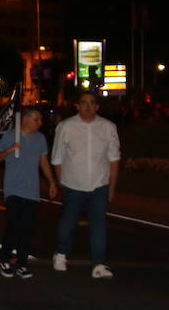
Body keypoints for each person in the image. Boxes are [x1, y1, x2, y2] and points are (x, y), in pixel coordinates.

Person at [51, 92, 120, 279]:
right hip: (73, 185)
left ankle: (98, 264)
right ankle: (61, 253)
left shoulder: (108, 127)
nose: (87, 106)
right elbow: (57, 159)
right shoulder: (66, 127)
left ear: (97, 106)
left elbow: (114, 160)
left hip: (99, 185)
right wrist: (62, 184)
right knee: (68, 223)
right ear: (77, 106)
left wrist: (111, 188)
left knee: (98, 225)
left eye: (92, 103)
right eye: (83, 103)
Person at [0, 107, 57, 280]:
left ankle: (22, 264)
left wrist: (51, 181)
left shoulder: (40, 139)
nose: (40, 123)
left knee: (27, 229)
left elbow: (43, 161)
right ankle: (4, 259)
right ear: (26, 119)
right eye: (37, 119)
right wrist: (10, 149)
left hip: (32, 190)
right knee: (14, 225)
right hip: (13, 189)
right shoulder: (10, 136)